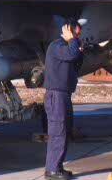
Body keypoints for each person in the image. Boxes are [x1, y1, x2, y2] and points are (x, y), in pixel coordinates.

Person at [44, 19, 84, 180]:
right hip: (56, 95)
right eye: (76, 34)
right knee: (58, 133)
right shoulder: (57, 46)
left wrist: (80, 51)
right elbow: (71, 54)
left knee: (65, 132)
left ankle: (57, 166)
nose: (77, 37)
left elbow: (75, 64)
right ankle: (52, 170)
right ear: (68, 31)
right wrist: (73, 43)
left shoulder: (68, 47)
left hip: (64, 95)